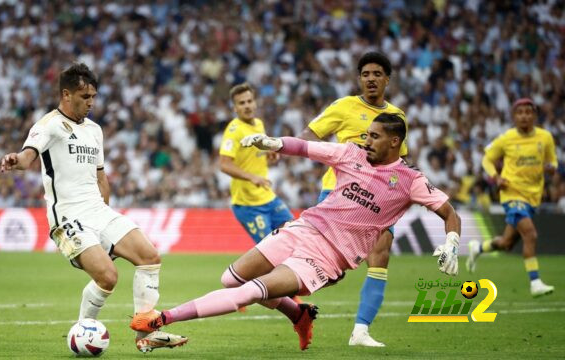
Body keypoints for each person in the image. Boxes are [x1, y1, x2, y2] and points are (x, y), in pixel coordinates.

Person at [130, 114, 461, 351]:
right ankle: (298, 313)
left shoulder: (409, 180)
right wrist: (273, 142)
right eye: (366, 134)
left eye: (373, 136)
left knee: (251, 292)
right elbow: (305, 148)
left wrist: (452, 242)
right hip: (303, 228)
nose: (366, 140)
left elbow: (449, 213)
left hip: (328, 255)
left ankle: (162, 319)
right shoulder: (351, 154)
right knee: (231, 280)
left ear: (394, 141)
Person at [0, 63, 186, 353]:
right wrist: (16, 160)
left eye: (93, 97)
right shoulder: (48, 125)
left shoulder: (95, 131)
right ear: (66, 94)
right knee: (108, 277)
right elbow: (27, 156)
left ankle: (145, 335)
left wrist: (106, 222)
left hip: (98, 211)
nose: (91, 103)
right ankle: (82, 331)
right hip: (67, 218)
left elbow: (101, 176)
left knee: (150, 257)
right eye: (85, 97)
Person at [299, 51, 407, 347]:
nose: (370, 79)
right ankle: (279, 296)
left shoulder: (397, 117)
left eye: (376, 74)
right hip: (339, 194)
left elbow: (400, 161)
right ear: (359, 79)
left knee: (380, 255)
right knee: (330, 271)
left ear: (387, 78)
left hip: (378, 200)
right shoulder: (344, 106)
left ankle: (360, 331)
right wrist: (334, 158)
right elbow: (310, 133)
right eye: (365, 74)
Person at [467, 98, 557, 297]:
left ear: (534, 116)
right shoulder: (506, 138)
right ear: (514, 117)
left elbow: (552, 161)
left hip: (533, 196)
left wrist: (552, 168)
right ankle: (535, 282)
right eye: (520, 112)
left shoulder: (545, 138)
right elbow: (487, 159)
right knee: (530, 235)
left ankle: (478, 247)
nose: (524, 115)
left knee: (507, 243)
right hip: (512, 194)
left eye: (528, 112)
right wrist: (495, 177)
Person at [219, 83, 294, 243]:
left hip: (267, 195)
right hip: (248, 204)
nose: (247, 106)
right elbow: (224, 164)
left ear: (255, 102)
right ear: (234, 108)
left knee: (293, 233)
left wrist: (269, 155)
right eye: (241, 103)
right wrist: (252, 177)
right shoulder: (234, 130)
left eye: (249, 101)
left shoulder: (258, 124)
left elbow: (253, 154)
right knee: (269, 250)